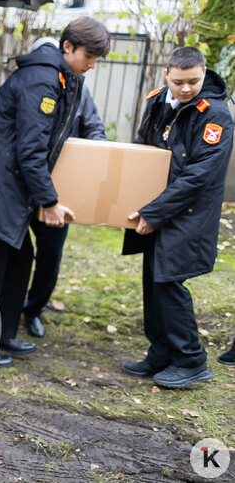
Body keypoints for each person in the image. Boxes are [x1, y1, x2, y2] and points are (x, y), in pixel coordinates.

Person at [0, 17, 110, 366]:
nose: (93, 64)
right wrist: (49, 201)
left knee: (20, 260)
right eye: (89, 56)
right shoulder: (43, 80)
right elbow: (31, 151)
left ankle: (4, 336)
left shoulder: (58, 76)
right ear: (68, 47)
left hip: (12, 184)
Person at [122, 46, 233, 388]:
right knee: (153, 281)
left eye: (193, 81)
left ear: (203, 74)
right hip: (158, 206)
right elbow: (144, 147)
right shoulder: (158, 100)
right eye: (179, 82)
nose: (186, 89)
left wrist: (153, 212)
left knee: (170, 282)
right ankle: (160, 352)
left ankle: (190, 359)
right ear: (167, 75)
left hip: (188, 212)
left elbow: (200, 176)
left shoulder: (216, 115)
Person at [21, 37, 108, 339]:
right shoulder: (30, 83)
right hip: (20, 189)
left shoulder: (77, 90)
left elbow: (95, 129)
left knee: (49, 256)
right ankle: (4, 309)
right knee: (13, 257)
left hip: (57, 191)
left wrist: (91, 154)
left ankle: (33, 309)